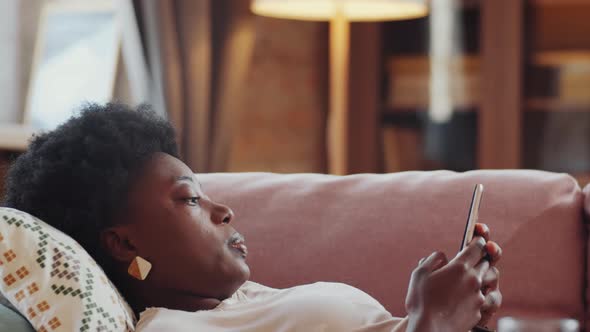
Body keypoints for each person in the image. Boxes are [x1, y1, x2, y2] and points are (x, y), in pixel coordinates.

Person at [3, 103, 502, 332]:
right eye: (189, 200)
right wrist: (433, 323)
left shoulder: (246, 303)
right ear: (125, 244)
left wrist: (462, 318)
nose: (225, 210)